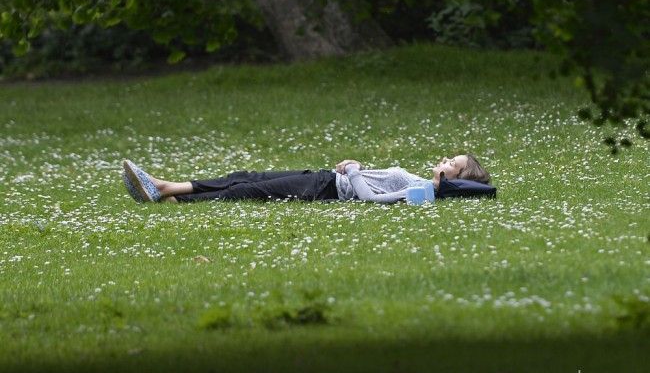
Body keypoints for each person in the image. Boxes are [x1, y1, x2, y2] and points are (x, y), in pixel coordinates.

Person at [122, 154, 490, 205]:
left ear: (453, 179)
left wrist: (356, 171)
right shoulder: (419, 183)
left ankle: (166, 192)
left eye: (450, 164)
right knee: (243, 177)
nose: (442, 160)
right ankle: (168, 188)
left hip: (325, 188)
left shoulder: (421, 191)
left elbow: (370, 199)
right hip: (322, 178)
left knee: (248, 190)